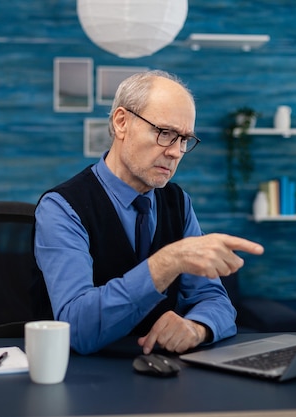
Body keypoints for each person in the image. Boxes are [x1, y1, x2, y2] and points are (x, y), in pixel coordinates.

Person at [34, 70, 264, 355]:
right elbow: (76, 329)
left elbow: (214, 299)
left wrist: (197, 327)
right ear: (121, 123)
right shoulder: (62, 207)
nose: (176, 152)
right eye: (165, 133)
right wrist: (167, 262)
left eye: (184, 139)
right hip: (88, 381)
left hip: (167, 380)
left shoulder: (179, 202)